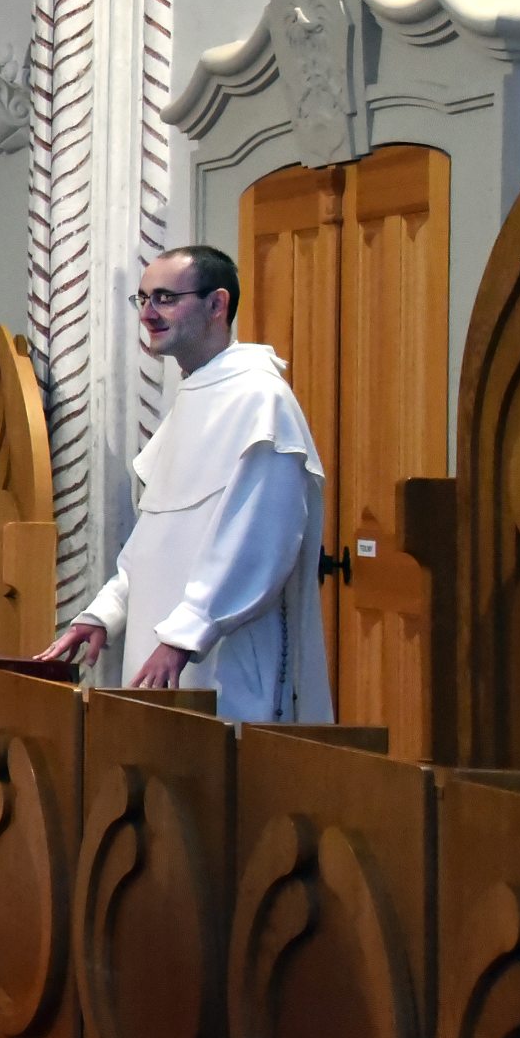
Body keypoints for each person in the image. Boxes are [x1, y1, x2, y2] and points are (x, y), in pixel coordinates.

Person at [35, 246, 332, 722]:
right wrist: (103, 613)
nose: (149, 314)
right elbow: (155, 542)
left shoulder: (260, 400)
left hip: (221, 662)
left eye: (166, 298)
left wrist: (182, 637)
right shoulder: (192, 398)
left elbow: (257, 543)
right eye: (143, 299)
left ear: (217, 304)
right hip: (163, 654)